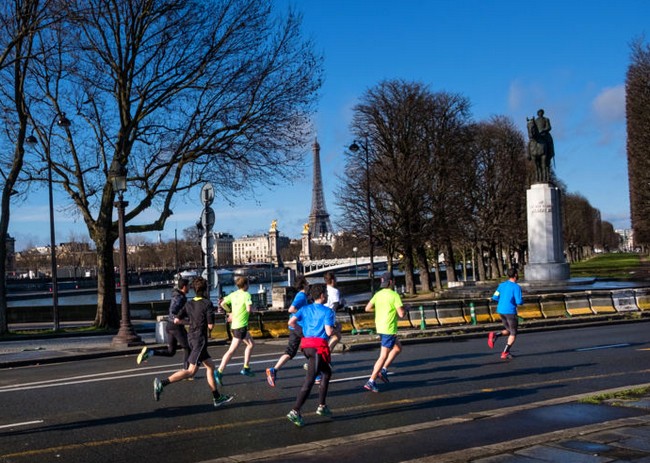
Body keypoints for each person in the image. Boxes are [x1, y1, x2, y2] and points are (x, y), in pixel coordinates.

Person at [152, 277, 232, 408]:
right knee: (190, 372)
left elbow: (176, 320)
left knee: (210, 367)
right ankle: (162, 383)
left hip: (192, 337)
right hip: (200, 340)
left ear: (194, 290)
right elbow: (211, 326)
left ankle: (217, 397)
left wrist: (192, 322)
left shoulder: (188, 304)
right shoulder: (207, 304)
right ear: (205, 290)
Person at [286, 283, 335, 427]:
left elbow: (291, 322)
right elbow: (328, 332)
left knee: (327, 372)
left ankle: (322, 405)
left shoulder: (305, 309)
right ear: (322, 296)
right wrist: (337, 328)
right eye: (326, 293)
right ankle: (295, 411)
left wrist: (303, 332)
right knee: (310, 380)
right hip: (318, 348)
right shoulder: (328, 311)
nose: (327, 296)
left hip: (306, 346)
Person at [363, 271, 406, 393]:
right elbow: (401, 314)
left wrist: (380, 309)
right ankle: (371, 380)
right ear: (391, 282)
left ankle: (384, 370)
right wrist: (405, 309)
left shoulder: (378, 294)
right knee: (383, 356)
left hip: (380, 327)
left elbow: (367, 308)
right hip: (389, 328)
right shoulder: (394, 295)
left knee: (398, 348)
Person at [266, 276, 310, 387]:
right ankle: (315, 371)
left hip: (295, 327)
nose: (309, 284)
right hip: (299, 327)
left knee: (291, 352)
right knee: (312, 347)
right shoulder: (301, 296)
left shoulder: (302, 296)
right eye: (307, 282)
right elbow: (291, 309)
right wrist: (302, 315)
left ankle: (274, 370)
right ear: (304, 284)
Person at [137, 278, 191, 368]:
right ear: (184, 287)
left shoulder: (176, 295)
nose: (190, 287)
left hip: (169, 326)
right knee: (187, 347)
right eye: (189, 286)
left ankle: (150, 352)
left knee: (171, 352)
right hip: (176, 326)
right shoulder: (180, 297)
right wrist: (178, 319)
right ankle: (186, 371)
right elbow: (173, 310)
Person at [214, 276, 255, 385]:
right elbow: (249, 309)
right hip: (240, 327)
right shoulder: (246, 295)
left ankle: (246, 367)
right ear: (245, 285)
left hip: (236, 326)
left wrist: (230, 311)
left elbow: (222, 303)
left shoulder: (233, 294)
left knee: (251, 344)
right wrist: (254, 309)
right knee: (231, 351)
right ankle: (219, 371)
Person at [488, 268, 523, 360]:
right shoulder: (516, 287)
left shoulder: (501, 285)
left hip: (501, 310)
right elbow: (519, 301)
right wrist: (521, 302)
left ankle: (496, 335)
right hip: (510, 311)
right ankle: (505, 352)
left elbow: (495, 297)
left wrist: (503, 301)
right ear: (515, 275)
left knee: (509, 329)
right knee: (514, 333)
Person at [323, 271, 345, 352]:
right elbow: (335, 305)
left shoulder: (324, 289)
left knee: (335, 336)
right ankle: (326, 354)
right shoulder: (335, 291)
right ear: (332, 280)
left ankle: (326, 354)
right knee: (336, 335)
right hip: (329, 318)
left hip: (322, 315)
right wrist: (342, 304)